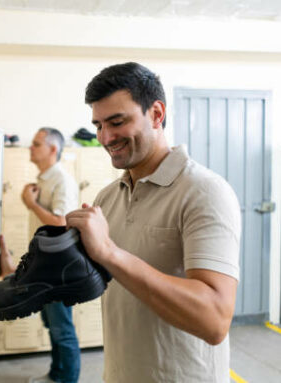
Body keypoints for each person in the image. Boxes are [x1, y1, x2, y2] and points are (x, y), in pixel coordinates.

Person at [65, 62, 241, 383]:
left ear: (157, 114)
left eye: (117, 122)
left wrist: (109, 252)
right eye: (99, 125)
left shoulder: (204, 192)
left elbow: (214, 320)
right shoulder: (108, 198)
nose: (106, 137)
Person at [0, 127, 81, 383]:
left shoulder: (62, 180)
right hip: (45, 264)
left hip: (58, 268)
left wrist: (31, 204)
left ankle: (65, 379)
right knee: (52, 324)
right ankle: (56, 375)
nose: (30, 148)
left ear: (53, 150)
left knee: (62, 329)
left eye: (36, 144)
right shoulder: (45, 179)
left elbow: (60, 222)